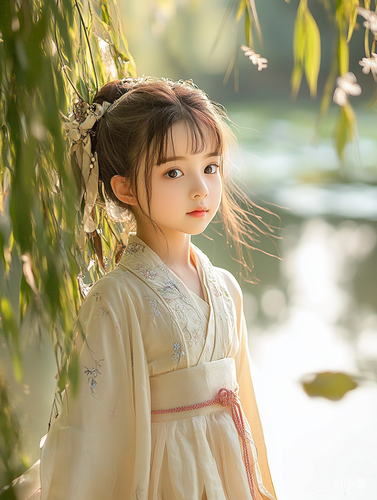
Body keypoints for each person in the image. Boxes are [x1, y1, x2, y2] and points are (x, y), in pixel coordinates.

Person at [11, 77, 277, 500]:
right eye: (173, 171)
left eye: (210, 167)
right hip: (165, 479)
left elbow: (248, 414)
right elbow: (90, 431)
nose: (201, 188)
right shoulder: (116, 299)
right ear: (126, 187)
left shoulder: (225, 288)